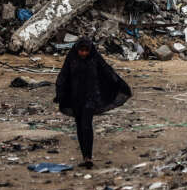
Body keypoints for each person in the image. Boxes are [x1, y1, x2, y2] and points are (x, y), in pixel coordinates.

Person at [54, 38, 131, 168]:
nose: (83, 53)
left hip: (91, 97)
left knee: (86, 125)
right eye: (81, 51)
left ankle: (88, 157)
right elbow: (63, 76)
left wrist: (120, 85)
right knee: (79, 126)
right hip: (76, 97)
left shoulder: (95, 58)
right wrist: (60, 93)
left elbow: (107, 71)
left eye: (86, 51)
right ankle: (84, 157)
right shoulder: (71, 58)